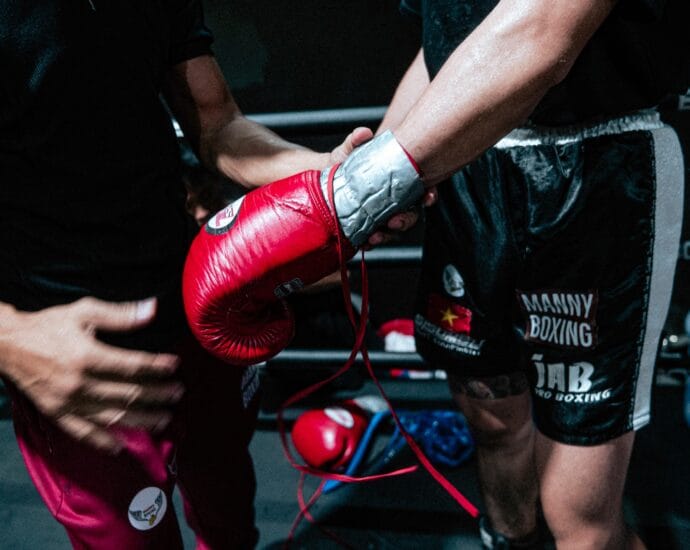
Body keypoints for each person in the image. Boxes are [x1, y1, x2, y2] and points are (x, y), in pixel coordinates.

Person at [0, 2, 419, 548]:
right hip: (77, 349)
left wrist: (326, 181)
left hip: (196, 301)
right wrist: (8, 339)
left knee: (227, 506)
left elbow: (219, 124)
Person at [370, 0, 689, 548]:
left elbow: (543, 31)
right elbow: (443, 43)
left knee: (579, 516)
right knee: (494, 419)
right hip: (467, 161)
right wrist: (373, 171)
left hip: (596, 160)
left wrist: (377, 174)